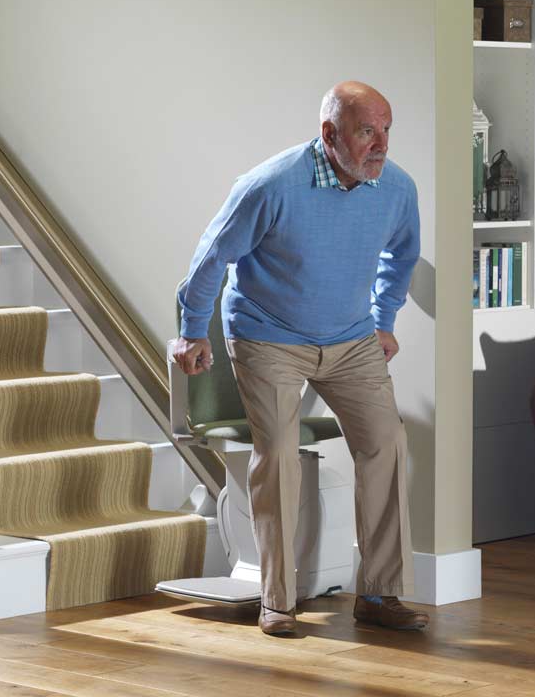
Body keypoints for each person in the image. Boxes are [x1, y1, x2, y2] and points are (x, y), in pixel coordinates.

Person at [173, 81, 429, 635]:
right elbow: (211, 258)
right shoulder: (272, 185)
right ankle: (277, 599)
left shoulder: (395, 187)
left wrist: (383, 319)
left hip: (351, 339)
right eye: (367, 132)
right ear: (329, 135)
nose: (381, 144)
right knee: (280, 454)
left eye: (386, 130)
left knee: (386, 442)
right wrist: (193, 331)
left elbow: (402, 254)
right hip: (269, 338)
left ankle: (380, 595)